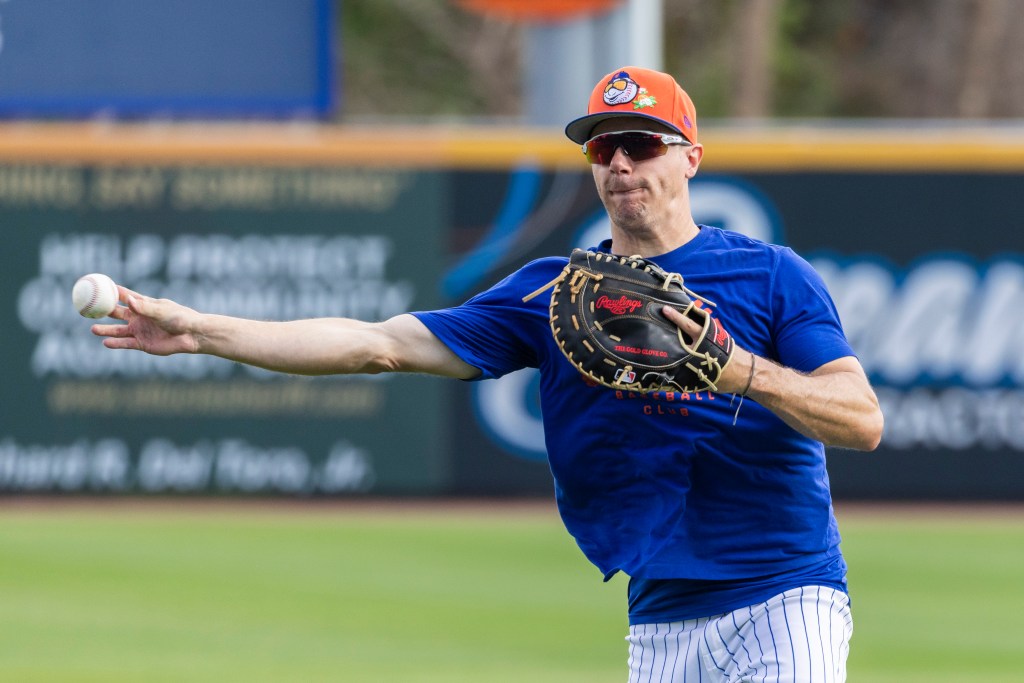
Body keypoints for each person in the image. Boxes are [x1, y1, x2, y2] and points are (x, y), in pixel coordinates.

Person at [92, 66, 883, 682]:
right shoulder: (553, 291)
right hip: (660, 615)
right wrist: (202, 332)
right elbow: (379, 343)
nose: (618, 162)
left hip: (786, 593)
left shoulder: (771, 276)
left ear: (690, 159)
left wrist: (736, 368)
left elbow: (860, 418)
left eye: (640, 143)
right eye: (601, 146)